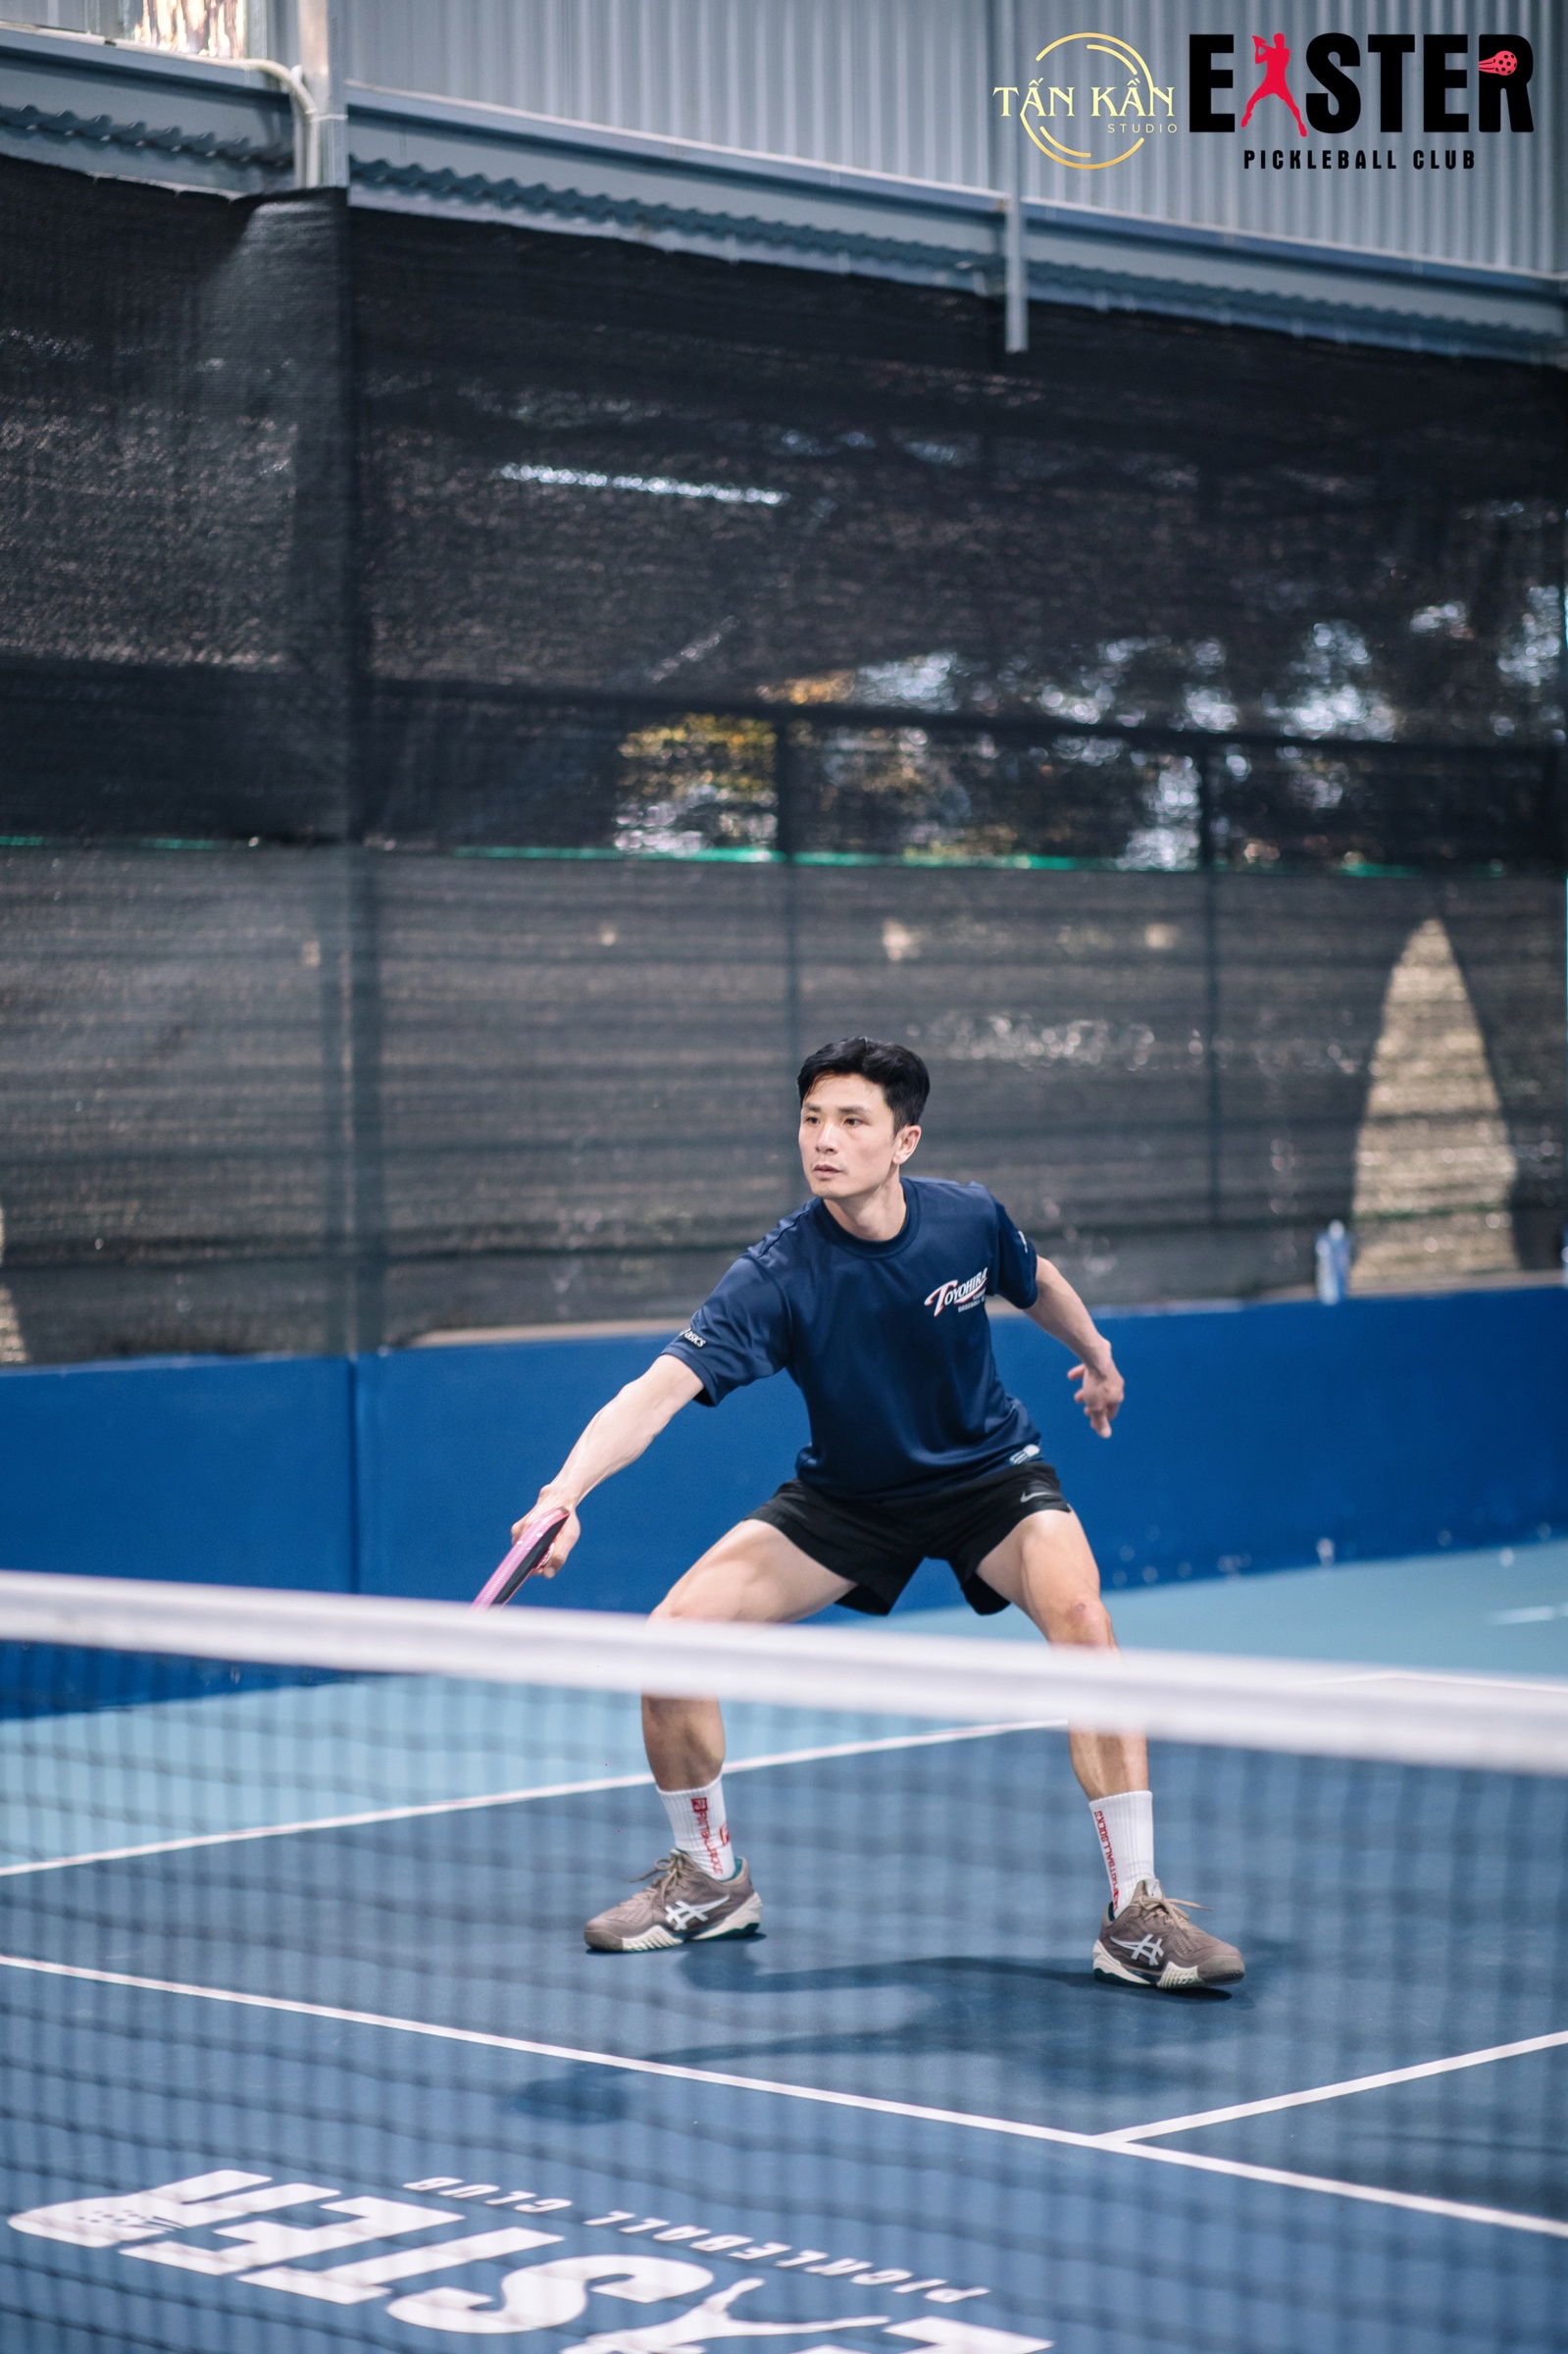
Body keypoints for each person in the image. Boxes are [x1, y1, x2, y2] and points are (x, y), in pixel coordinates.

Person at [514, 1036, 1243, 1992]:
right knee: (671, 1641)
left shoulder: (966, 1220)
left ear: (904, 1141)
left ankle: (1135, 1913)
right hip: (849, 1498)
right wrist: (563, 1494)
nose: (824, 1139)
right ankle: (710, 1880)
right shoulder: (777, 1274)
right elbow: (654, 1393)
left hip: (989, 1480)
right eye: (811, 1119)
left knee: (1084, 1623)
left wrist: (1098, 1359)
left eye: (851, 1120)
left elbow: (1038, 1281)